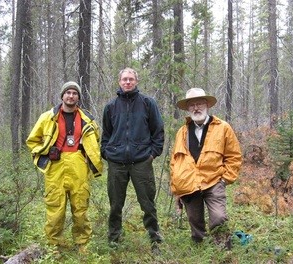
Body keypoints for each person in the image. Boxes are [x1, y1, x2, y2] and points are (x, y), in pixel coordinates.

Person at [26, 81, 103, 253]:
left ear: (78, 97)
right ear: (62, 96)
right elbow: (32, 141)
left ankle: (82, 243)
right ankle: (54, 245)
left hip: (78, 165)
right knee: (55, 208)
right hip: (55, 167)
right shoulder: (47, 117)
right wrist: (45, 152)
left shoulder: (87, 119)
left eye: (74, 93)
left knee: (81, 206)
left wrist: (86, 154)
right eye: (68, 92)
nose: (71, 96)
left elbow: (96, 141)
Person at [101, 68, 164, 253]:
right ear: (119, 82)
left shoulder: (147, 103)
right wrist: (107, 152)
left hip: (141, 162)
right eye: (124, 79)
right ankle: (114, 240)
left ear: (136, 81)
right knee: (115, 204)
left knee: (148, 204)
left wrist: (152, 154)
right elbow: (106, 134)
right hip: (116, 163)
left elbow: (158, 131)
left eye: (131, 79)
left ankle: (155, 241)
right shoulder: (111, 107)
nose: (127, 82)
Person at [170, 88, 242, 249]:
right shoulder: (182, 132)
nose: (196, 108)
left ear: (207, 105)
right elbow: (175, 160)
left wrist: (225, 179)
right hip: (189, 183)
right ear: (188, 109)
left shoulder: (223, 128)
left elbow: (234, 156)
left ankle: (223, 249)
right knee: (195, 221)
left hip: (214, 181)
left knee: (218, 218)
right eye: (192, 104)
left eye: (200, 103)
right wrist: (176, 186)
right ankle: (200, 249)